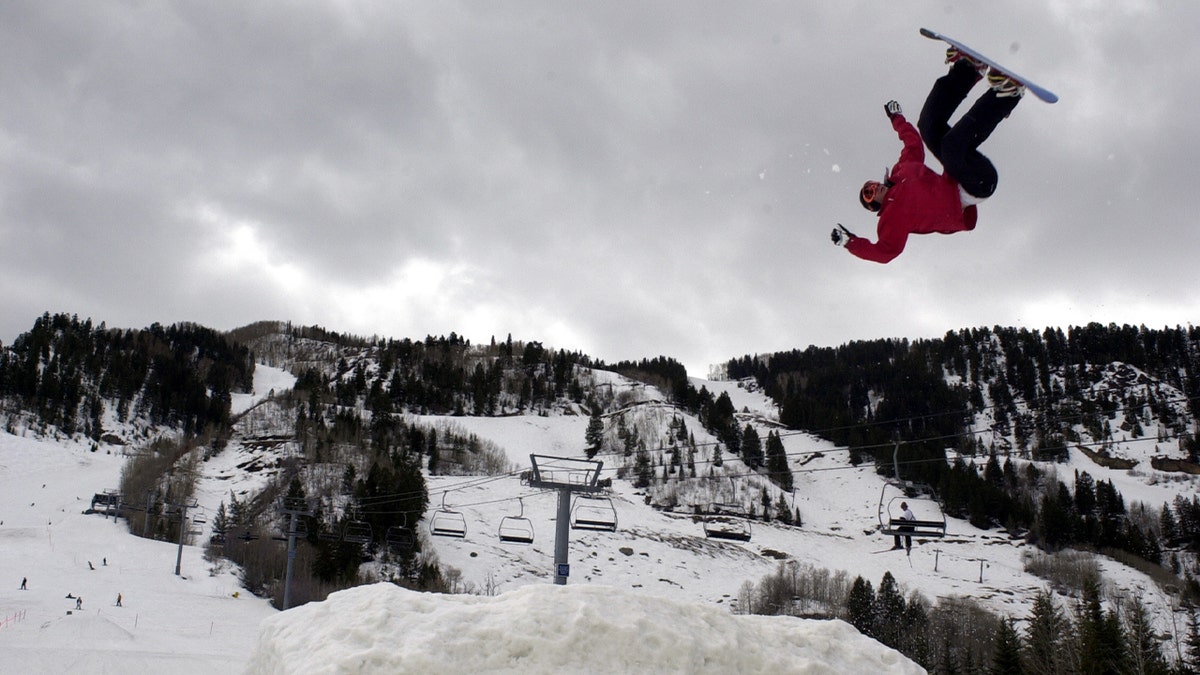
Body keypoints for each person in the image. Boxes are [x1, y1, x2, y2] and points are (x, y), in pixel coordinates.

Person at [832, 49, 1025, 263]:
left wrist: (897, 119)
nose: (874, 187)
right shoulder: (893, 216)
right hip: (976, 185)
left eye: (870, 184)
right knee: (951, 145)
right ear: (874, 205)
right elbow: (885, 251)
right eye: (869, 193)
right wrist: (850, 242)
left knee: (928, 127)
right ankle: (1006, 95)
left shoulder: (901, 172)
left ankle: (967, 69)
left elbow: (913, 144)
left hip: (956, 173)